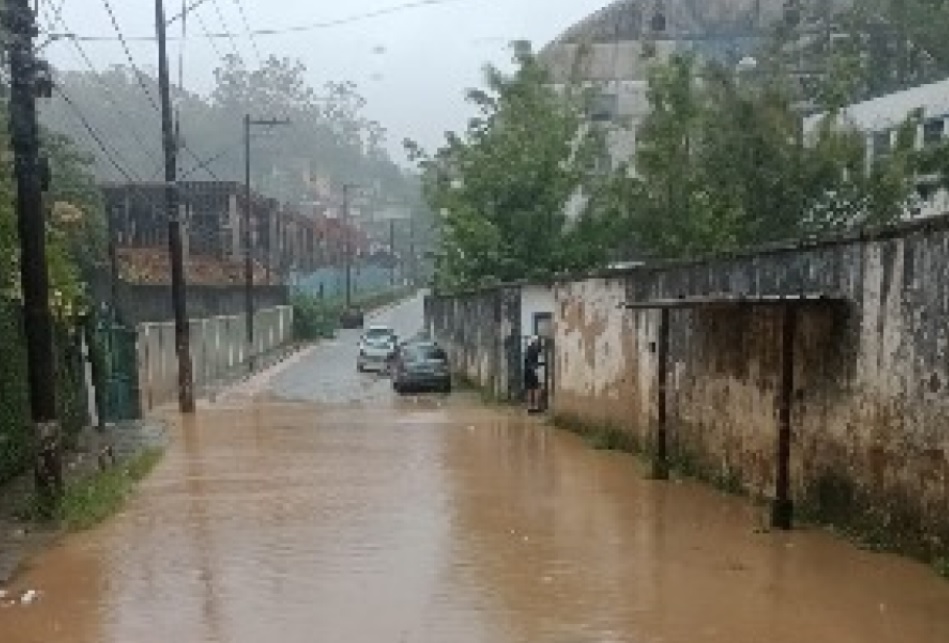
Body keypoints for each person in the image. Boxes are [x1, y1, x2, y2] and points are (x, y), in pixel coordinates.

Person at [524, 336, 542, 413]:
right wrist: (535, 369)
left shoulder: (528, 350)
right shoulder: (535, 350)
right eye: (537, 342)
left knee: (530, 389)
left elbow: (527, 361)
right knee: (536, 388)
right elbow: (535, 361)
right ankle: (536, 406)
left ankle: (530, 406)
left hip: (527, 372)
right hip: (533, 371)